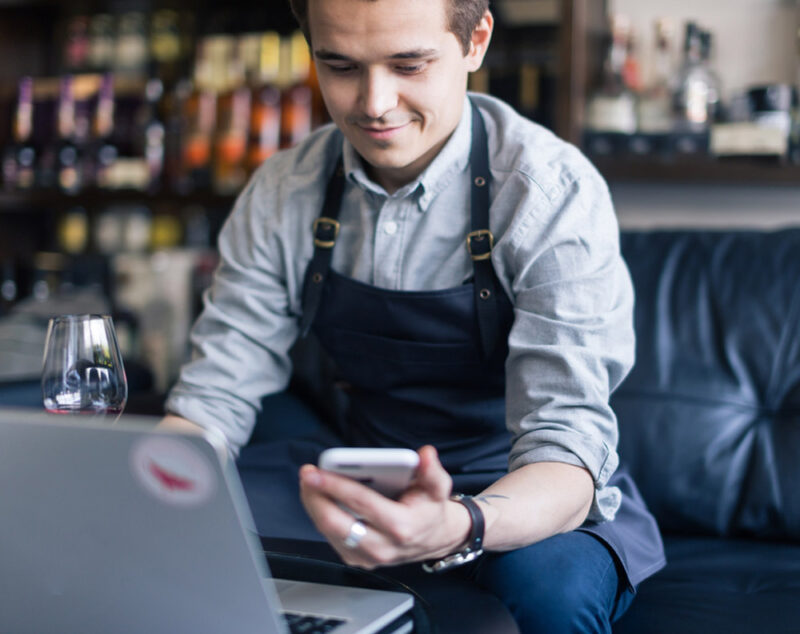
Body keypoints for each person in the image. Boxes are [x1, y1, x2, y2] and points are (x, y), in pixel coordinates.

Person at [162, 0, 666, 631]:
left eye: (409, 64)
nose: (373, 103)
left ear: (475, 41)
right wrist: (141, 497)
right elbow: (212, 401)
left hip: (524, 483)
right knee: (189, 543)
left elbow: (565, 449)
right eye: (339, 65)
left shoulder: (549, 194)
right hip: (366, 473)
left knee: (553, 594)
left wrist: (460, 522)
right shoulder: (284, 190)